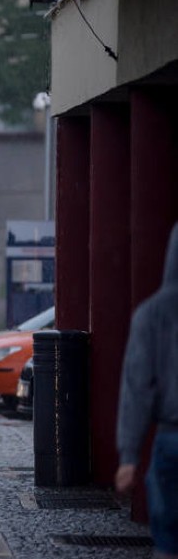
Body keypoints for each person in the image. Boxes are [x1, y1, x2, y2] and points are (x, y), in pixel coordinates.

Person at [115, 223, 178, 558]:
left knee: (168, 540)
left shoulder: (151, 315)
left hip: (171, 438)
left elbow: (137, 389)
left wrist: (129, 457)